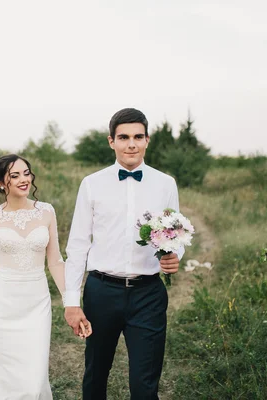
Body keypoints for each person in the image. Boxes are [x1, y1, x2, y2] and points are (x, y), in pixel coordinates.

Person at [64, 108, 183, 400]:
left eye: (138, 137)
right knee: (96, 376)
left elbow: (175, 232)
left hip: (148, 295)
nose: (131, 144)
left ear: (147, 140)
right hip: (102, 291)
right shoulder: (91, 184)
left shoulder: (165, 183)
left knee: (145, 385)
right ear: (111, 141)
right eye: (124, 137)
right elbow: (78, 244)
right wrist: (71, 302)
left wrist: (175, 254)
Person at [0, 154, 91, 399]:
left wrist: (72, 302)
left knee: (34, 377)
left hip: (36, 300)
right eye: (14, 175)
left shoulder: (46, 212)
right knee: (2, 371)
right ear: (1, 183)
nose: (24, 180)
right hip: (2, 301)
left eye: (26, 173)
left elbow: (56, 261)